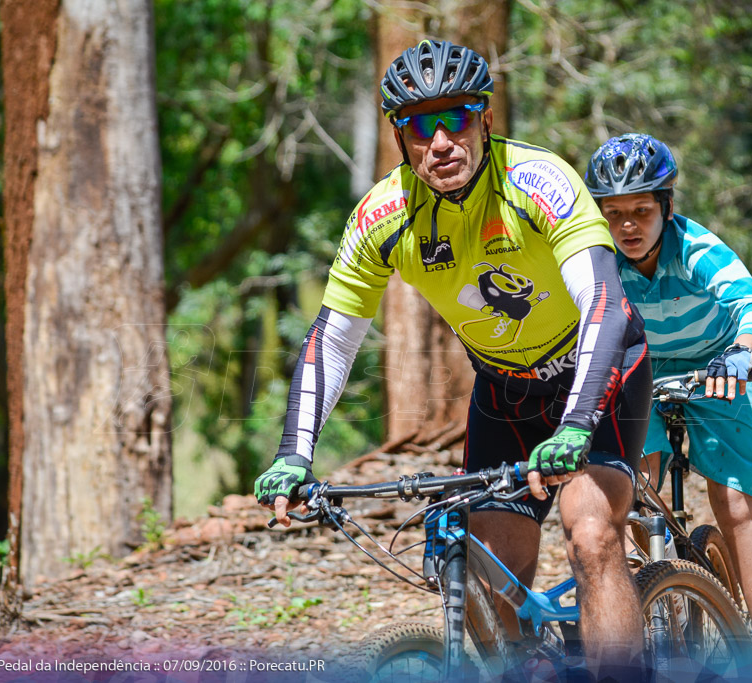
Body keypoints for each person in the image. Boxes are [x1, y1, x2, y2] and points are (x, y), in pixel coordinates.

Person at [254, 40, 652, 673]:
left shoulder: (537, 180)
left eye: (456, 118)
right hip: (506, 392)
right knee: (492, 573)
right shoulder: (383, 218)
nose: (440, 140)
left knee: (591, 532)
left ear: (485, 121)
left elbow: (605, 306)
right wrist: (293, 455)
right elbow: (331, 339)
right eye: (418, 124)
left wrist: (576, 425)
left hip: (598, 373)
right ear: (398, 137)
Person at [585, 133, 752, 656]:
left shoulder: (696, 248)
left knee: (733, 499)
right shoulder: (601, 260)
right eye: (614, 212)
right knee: (630, 484)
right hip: (646, 364)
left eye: (642, 211)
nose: (627, 225)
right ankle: (656, 596)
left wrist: (741, 352)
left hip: (724, 360)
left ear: (666, 207)